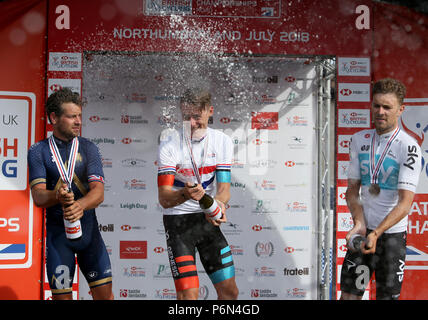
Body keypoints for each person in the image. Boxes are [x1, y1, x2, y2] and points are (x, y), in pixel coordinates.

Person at [28, 88, 113, 300]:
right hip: (59, 240)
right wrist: (57, 196)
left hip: (90, 237)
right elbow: (38, 197)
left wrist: (80, 205)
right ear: (54, 118)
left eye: (79, 116)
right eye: (71, 116)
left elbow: (99, 193)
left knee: (105, 298)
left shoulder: (89, 148)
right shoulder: (38, 151)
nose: (78, 122)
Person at [340, 78, 422, 300]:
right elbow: (351, 191)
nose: (380, 111)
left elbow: (405, 204)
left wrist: (377, 233)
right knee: (348, 297)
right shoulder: (358, 140)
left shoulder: (409, 146)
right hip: (364, 231)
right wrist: (359, 223)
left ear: (400, 110)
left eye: (387, 107)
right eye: (376, 105)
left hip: (391, 238)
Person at [157, 87, 239, 300]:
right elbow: (165, 198)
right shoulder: (169, 144)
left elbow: (224, 190)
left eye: (196, 116)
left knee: (229, 292)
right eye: (186, 117)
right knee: (188, 296)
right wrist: (186, 193)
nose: (191, 123)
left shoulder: (222, 141)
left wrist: (218, 204)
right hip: (178, 224)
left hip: (206, 220)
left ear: (210, 111)